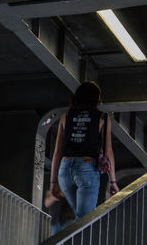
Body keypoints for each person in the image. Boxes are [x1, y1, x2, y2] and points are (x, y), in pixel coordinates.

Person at [50, 81, 119, 220]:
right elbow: (108, 152)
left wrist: (53, 183)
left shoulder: (66, 116)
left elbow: (57, 151)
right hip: (86, 168)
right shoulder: (102, 117)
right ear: (97, 99)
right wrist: (113, 182)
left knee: (80, 218)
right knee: (84, 221)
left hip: (64, 170)